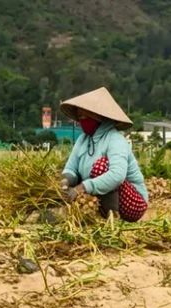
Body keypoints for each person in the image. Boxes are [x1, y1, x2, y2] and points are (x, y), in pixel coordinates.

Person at [59, 87, 149, 222]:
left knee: (101, 166)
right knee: (75, 178)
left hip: (133, 203)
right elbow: (71, 168)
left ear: (99, 116)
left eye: (86, 116)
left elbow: (117, 175)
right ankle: (97, 215)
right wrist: (66, 181)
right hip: (99, 197)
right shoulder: (82, 140)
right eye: (80, 117)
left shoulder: (115, 139)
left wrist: (83, 187)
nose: (83, 120)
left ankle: (112, 217)